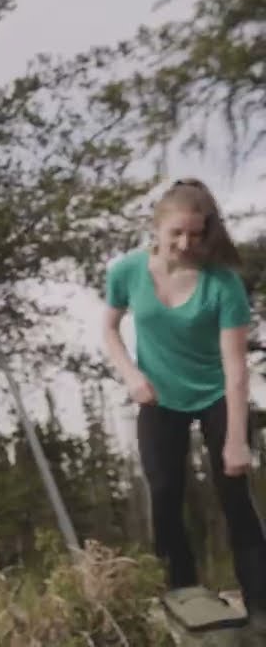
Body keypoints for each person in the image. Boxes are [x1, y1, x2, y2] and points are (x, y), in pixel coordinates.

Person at [102, 177, 264, 627]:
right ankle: (186, 604)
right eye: (176, 232)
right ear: (156, 227)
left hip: (216, 395)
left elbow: (235, 368)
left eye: (196, 233)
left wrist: (236, 439)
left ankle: (261, 612)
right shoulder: (127, 272)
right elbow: (109, 329)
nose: (185, 243)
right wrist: (132, 376)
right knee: (165, 497)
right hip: (160, 400)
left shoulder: (223, 284)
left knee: (236, 499)